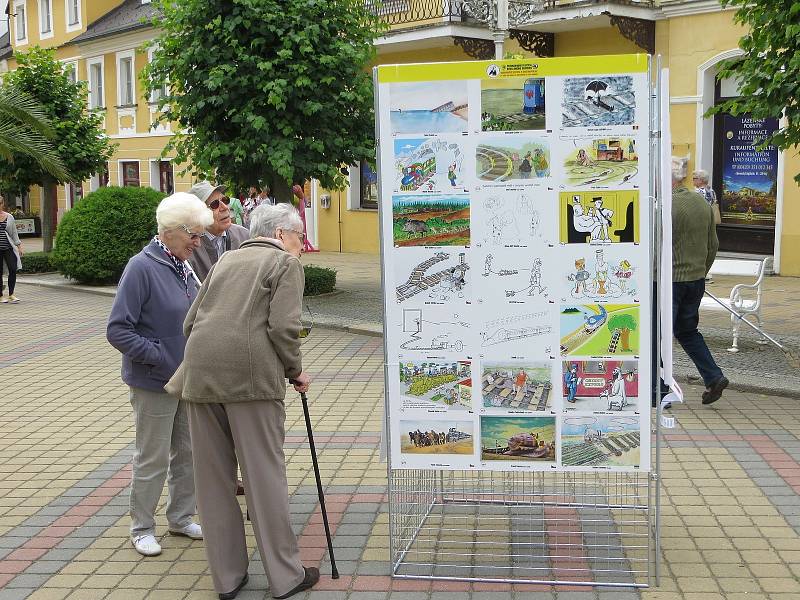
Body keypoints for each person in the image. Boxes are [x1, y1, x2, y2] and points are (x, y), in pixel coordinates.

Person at [166, 203, 319, 600]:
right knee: (263, 478)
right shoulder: (284, 264)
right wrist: (295, 370)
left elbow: (189, 322)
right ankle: (286, 578)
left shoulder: (225, 260)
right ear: (282, 234)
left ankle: (228, 580)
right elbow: (284, 327)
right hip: (251, 381)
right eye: (300, 236)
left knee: (213, 483)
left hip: (199, 376)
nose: (302, 244)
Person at [106, 192, 213, 557]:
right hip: (154, 381)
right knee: (151, 456)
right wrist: (160, 356)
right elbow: (118, 329)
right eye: (193, 235)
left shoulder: (183, 264)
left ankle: (181, 517)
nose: (198, 243)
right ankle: (142, 527)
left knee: (188, 452)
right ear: (169, 231)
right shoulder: (141, 266)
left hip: (186, 378)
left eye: (200, 236)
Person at [672, 157, 728, 405]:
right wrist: (700, 270)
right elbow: (713, 245)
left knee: (657, 335)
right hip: (695, 280)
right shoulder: (701, 202)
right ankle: (714, 377)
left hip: (669, 282)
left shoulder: (664, 205)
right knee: (687, 331)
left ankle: (660, 392)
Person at [187, 181, 250, 281]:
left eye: (225, 200)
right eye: (215, 204)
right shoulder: (189, 246)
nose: (225, 208)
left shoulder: (244, 236)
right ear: (198, 214)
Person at [693, 169, 717, 283]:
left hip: (698, 221)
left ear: (701, 180)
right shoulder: (711, 191)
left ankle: (700, 272)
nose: (693, 180)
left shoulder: (698, 192)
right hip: (708, 221)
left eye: (694, 178)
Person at [0, 197, 23, 304]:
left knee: (13, 269)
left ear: (3, 204)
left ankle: (11, 294)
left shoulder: (9, 217)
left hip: (8, 247)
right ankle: (0, 295)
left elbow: (14, 233)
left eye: (0, 203)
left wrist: (19, 246)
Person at [291, 183, 318, 252]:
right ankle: (301, 245)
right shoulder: (298, 193)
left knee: (300, 230)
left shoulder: (296, 188)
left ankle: (302, 245)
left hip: (298, 214)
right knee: (300, 230)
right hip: (297, 213)